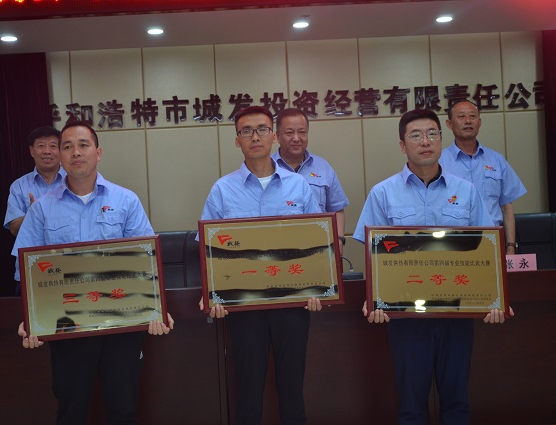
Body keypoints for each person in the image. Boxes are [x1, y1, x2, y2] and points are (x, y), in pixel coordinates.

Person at [353, 109, 512, 425]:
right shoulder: (383, 193)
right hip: (406, 317)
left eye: (432, 134)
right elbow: (374, 255)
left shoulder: (466, 191)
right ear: (403, 145)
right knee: (411, 405)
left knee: (457, 402)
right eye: (416, 135)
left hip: (456, 312)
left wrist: (497, 298)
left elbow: (486, 249)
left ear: (441, 139)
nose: (425, 141)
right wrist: (374, 299)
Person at [14, 120, 173, 425]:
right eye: (67, 146)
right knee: (71, 411)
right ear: (60, 156)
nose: (76, 152)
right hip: (66, 326)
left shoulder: (126, 200)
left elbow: (146, 261)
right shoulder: (42, 209)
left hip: (121, 325)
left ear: (98, 152)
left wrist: (158, 309)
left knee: (123, 410)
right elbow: (25, 272)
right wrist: (30, 318)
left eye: (83, 145)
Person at [198, 106, 323, 425]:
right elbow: (207, 249)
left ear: (274, 136)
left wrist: (319, 287)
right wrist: (211, 293)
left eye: (262, 129)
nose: (255, 137)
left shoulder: (299, 186)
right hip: (244, 307)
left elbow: (317, 243)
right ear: (237, 140)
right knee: (248, 389)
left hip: (292, 303)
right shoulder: (222, 189)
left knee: (292, 388)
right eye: (246, 131)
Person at [440, 100, 527, 255]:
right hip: (452, 243)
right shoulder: (439, 162)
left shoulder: (496, 160)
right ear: (449, 124)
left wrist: (510, 246)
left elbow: (506, 207)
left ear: (479, 123)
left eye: (472, 116)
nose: (468, 121)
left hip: (492, 241)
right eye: (461, 116)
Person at [271, 108, 349, 251]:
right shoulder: (267, 168)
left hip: (319, 248)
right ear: (277, 136)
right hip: (278, 248)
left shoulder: (323, 167)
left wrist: (338, 241)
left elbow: (337, 209)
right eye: (289, 133)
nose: (296, 138)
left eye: (302, 132)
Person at [4, 126, 66, 237]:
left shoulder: (74, 181)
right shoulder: (19, 186)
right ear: (32, 151)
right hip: (33, 247)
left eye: (53, 146)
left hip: (67, 247)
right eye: (41, 146)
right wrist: (33, 213)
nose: (47, 151)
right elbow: (13, 229)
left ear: (61, 151)